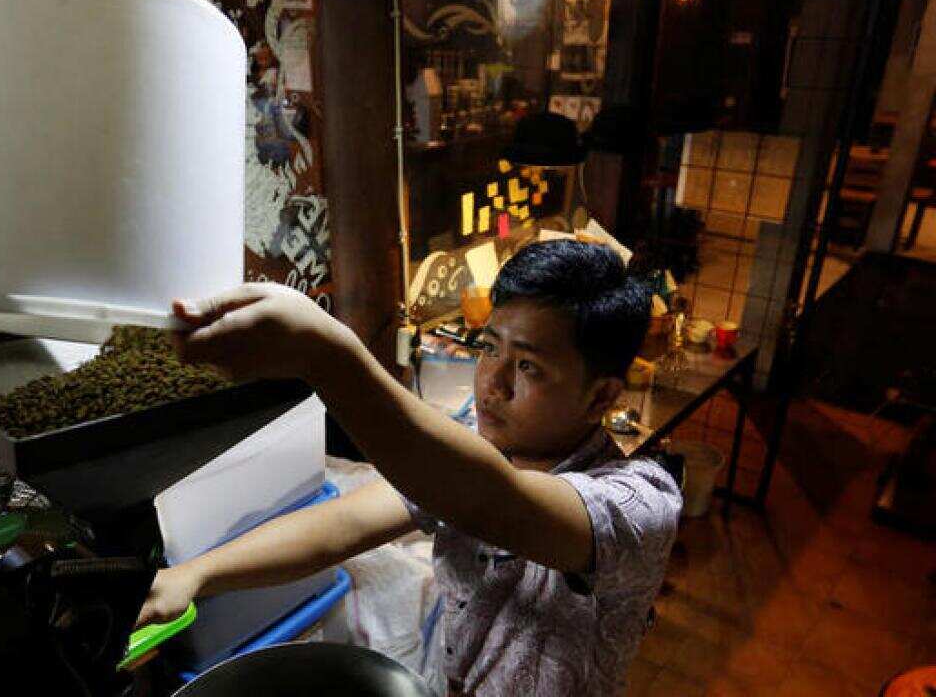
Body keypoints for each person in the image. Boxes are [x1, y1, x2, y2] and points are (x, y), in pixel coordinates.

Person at [140, 240, 682, 695]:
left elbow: (493, 501)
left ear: (601, 396)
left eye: (528, 366)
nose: (492, 384)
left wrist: (327, 356)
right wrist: (192, 575)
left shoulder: (640, 504)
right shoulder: (470, 454)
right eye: (489, 349)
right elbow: (343, 524)